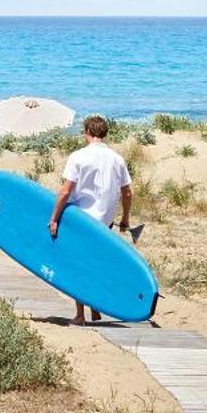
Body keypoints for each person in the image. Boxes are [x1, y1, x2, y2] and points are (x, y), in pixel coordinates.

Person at [48, 115, 135, 325]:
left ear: (87, 132)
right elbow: (127, 193)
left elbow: (65, 191)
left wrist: (54, 218)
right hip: (105, 223)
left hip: (81, 220)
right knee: (97, 264)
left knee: (77, 265)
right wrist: (125, 218)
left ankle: (80, 315)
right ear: (104, 134)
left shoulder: (78, 156)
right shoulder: (117, 159)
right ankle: (96, 310)